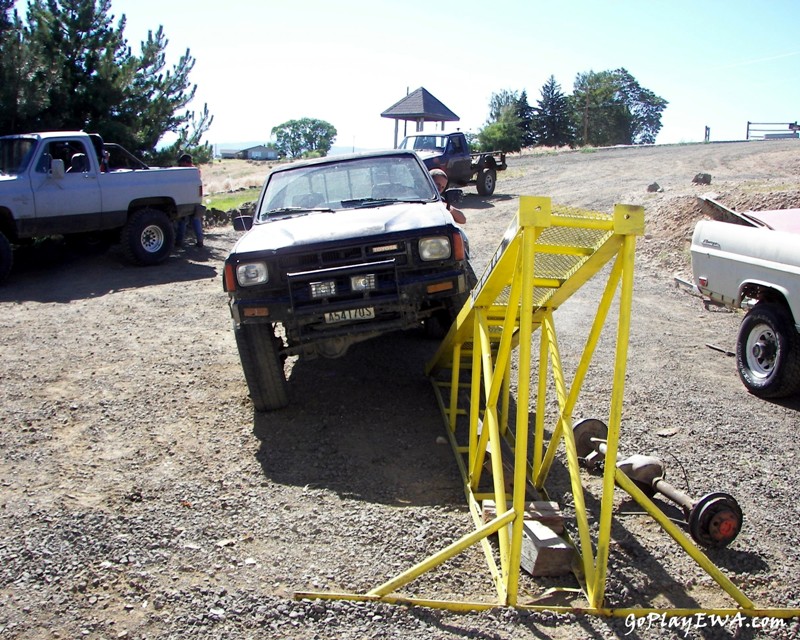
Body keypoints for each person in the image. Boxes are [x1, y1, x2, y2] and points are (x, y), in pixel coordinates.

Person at [175, 153, 205, 248]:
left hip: (184, 199)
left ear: (184, 162)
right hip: (195, 198)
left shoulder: (183, 172)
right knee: (196, 220)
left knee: (183, 221)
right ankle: (200, 241)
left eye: (181, 163)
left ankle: (179, 242)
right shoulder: (196, 171)